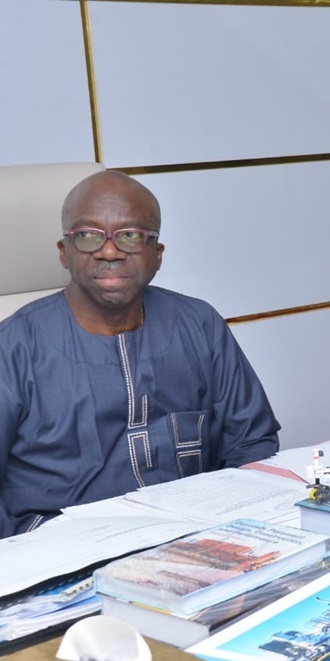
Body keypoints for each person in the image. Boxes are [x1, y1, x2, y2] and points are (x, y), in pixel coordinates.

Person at [0, 170, 280, 538]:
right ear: (63, 251)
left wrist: (240, 531)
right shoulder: (14, 345)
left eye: (131, 236)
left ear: (157, 254)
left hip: (194, 542)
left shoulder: (199, 324)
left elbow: (252, 443)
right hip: (60, 559)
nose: (110, 251)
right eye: (87, 236)